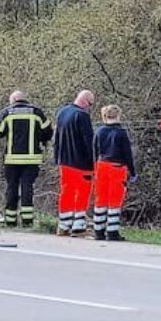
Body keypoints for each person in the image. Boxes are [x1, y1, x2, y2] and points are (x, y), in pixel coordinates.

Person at [0, 91, 53, 227]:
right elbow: (48, 132)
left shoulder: (7, 112)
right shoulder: (36, 112)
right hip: (32, 159)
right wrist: (40, 139)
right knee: (27, 188)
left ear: (13, 100)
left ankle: (10, 220)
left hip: (12, 159)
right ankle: (27, 221)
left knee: (12, 187)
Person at [53, 90, 96, 236]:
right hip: (82, 162)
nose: (89, 108)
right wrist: (94, 161)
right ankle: (78, 225)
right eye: (90, 104)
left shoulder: (62, 112)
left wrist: (57, 157)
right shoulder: (82, 116)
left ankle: (63, 224)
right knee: (83, 192)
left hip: (64, 161)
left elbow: (57, 137)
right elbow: (88, 141)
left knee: (66, 192)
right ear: (85, 101)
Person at [92, 105, 137, 241]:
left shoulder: (99, 131)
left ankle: (98, 231)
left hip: (101, 166)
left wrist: (93, 168)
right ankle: (112, 231)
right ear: (118, 115)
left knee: (100, 198)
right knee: (115, 200)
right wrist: (132, 172)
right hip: (117, 167)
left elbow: (94, 152)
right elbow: (127, 154)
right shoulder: (121, 132)